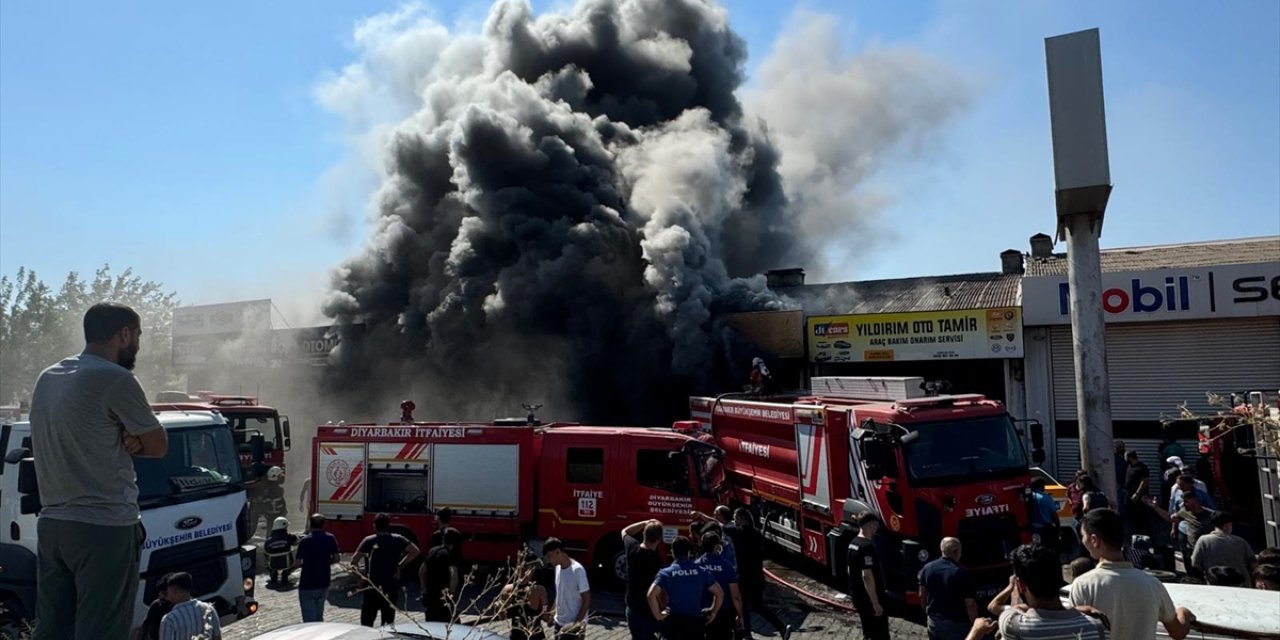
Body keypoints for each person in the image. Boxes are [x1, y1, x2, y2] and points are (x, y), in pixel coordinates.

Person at [30, 303, 169, 640]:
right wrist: (134, 439)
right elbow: (158, 445)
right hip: (104, 527)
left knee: (52, 630)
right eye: (137, 336)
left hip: (52, 526)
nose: (137, 344)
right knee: (102, 630)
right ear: (123, 334)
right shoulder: (115, 379)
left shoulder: (47, 378)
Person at [1069, 509, 1196, 639]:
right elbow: (1178, 632)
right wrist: (1183, 612)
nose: (1083, 541)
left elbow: (1075, 632)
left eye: (1083, 536)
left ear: (1094, 540)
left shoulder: (1082, 585)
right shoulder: (1152, 584)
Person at [996, 544, 1108, 639]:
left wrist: (1015, 593)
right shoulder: (1097, 628)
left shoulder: (1014, 626)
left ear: (1021, 585)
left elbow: (1014, 608)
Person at [731, 508, 791, 640]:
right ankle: (780, 627)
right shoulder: (756, 534)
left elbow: (721, 526)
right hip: (757, 578)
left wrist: (703, 516)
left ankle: (743, 633)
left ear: (741, 518)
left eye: (736, 518)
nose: (734, 521)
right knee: (756, 606)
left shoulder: (739, 533)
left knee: (740, 604)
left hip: (744, 578)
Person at [351, 513, 420, 627]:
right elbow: (415, 551)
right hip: (390, 585)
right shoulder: (398, 539)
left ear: (374, 525)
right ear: (389, 525)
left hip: (372, 586)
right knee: (388, 623)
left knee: (366, 624)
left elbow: (354, 561)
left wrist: (360, 578)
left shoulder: (368, 541)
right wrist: (400, 565)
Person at [648, 536, 723, 640]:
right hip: (694, 624)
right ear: (689, 552)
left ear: (672, 552)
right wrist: (713, 611)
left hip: (673, 623)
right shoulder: (702, 571)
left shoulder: (665, 573)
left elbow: (651, 595)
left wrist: (658, 615)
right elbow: (719, 593)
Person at [917, 537, 977, 640]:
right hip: (957, 624)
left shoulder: (927, 568)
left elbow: (922, 594)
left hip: (934, 622)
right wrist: (975, 624)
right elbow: (970, 604)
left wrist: (927, 612)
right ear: (957, 552)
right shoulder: (961, 573)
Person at [847, 512, 889, 640]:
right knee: (879, 634)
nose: (876, 529)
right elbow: (867, 576)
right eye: (875, 525)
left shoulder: (853, 543)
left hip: (858, 596)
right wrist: (875, 603)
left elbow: (849, 569)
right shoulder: (867, 547)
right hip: (869, 598)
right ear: (870, 526)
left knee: (868, 632)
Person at [293, 513, 341, 622]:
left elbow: (297, 563)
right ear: (323, 525)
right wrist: (325, 563)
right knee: (319, 616)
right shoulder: (330, 538)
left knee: (309, 620)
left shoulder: (305, 541)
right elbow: (337, 558)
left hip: (307, 584)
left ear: (310, 524)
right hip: (323, 583)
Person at [695, 532, 744, 640]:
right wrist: (740, 615)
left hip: (702, 613)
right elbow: (735, 595)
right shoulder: (727, 566)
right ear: (717, 546)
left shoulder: (697, 565)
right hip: (723, 613)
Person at [621, 519, 664, 640]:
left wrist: (644, 523)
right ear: (659, 539)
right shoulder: (655, 561)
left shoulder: (632, 548)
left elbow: (625, 531)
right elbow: (658, 591)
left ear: (643, 534)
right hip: (649, 612)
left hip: (632, 609)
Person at [544, 537, 591, 640]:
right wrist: (552, 615)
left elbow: (586, 599)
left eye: (549, 556)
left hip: (573, 625)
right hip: (559, 622)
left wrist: (576, 624)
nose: (548, 560)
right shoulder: (557, 568)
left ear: (558, 552)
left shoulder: (577, 570)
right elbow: (559, 593)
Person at [1190, 511, 1255, 580]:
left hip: (1216, 584)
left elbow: (1195, 564)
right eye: (1231, 524)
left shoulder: (1203, 541)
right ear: (1225, 526)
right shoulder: (1240, 542)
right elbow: (1254, 564)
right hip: (1241, 584)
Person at [159, 572, 221, 640]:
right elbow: (217, 637)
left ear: (175, 590)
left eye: (167, 592)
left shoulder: (169, 619)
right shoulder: (208, 609)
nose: (167, 597)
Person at [422, 527, 462, 622]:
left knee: (432, 625)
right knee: (453, 624)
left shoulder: (432, 551)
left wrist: (424, 588)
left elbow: (422, 571)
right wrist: (451, 593)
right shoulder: (450, 554)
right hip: (443, 597)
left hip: (431, 596)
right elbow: (454, 574)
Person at [138, 574, 175, 640]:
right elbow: (145, 626)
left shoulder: (177, 609)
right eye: (160, 593)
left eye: (165, 594)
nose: (161, 597)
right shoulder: (156, 605)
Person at [1123, 450, 1152, 536]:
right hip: (1129, 495)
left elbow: (1144, 481)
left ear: (1130, 457)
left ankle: (1144, 534)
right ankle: (1135, 533)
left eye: (1126, 457)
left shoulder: (1142, 467)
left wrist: (1137, 493)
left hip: (1139, 496)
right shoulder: (1130, 466)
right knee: (1132, 515)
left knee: (1141, 515)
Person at [264, 516, 299, 586]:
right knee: (295, 551)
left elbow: (266, 552)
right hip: (287, 563)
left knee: (267, 559)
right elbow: (296, 541)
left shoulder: (268, 541)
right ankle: (285, 577)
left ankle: (273, 576)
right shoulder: (289, 537)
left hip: (273, 564)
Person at [1027, 478, 1061, 551]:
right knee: (1049, 549)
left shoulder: (1028, 497)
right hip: (1046, 529)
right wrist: (1058, 529)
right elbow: (1054, 515)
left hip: (1032, 528)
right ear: (1041, 486)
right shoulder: (1046, 498)